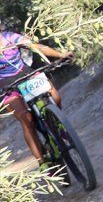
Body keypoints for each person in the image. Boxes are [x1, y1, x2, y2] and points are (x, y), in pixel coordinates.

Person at [0, 20, 73, 171]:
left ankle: (58, 124)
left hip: (24, 73)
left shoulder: (9, 37)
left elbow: (36, 46)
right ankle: (43, 162)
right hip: (4, 84)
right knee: (26, 119)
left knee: (54, 95)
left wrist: (60, 55)